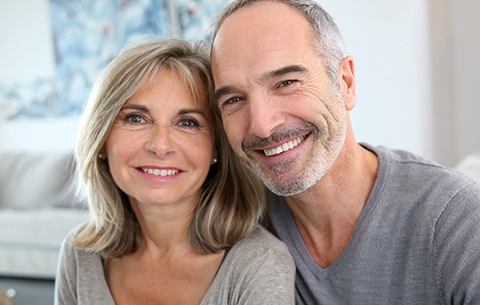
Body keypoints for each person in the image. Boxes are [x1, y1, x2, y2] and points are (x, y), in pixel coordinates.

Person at [210, 0, 480, 304]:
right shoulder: (240, 222)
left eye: (287, 82)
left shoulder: (454, 218)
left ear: (346, 82)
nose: (261, 125)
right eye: (233, 100)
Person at [54, 38, 295, 305]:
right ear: (101, 140)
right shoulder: (80, 254)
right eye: (136, 118)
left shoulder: (259, 264)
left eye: (188, 123)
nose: (160, 145)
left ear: (216, 148)